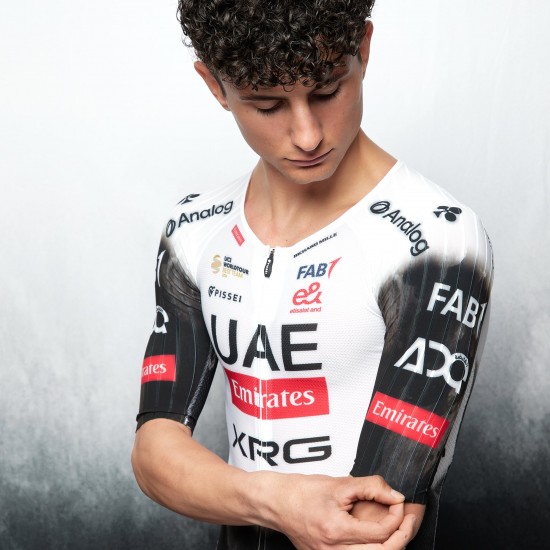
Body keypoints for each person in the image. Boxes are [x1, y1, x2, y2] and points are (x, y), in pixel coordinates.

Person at [131, 1, 494, 549]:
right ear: (214, 85)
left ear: (363, 50)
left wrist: (237, 493)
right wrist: (277, 501)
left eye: (327, 91)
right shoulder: (193, 230)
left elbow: (376, 521)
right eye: (267, 104)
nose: (307, 135)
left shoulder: (436, 242)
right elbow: (153, 454)